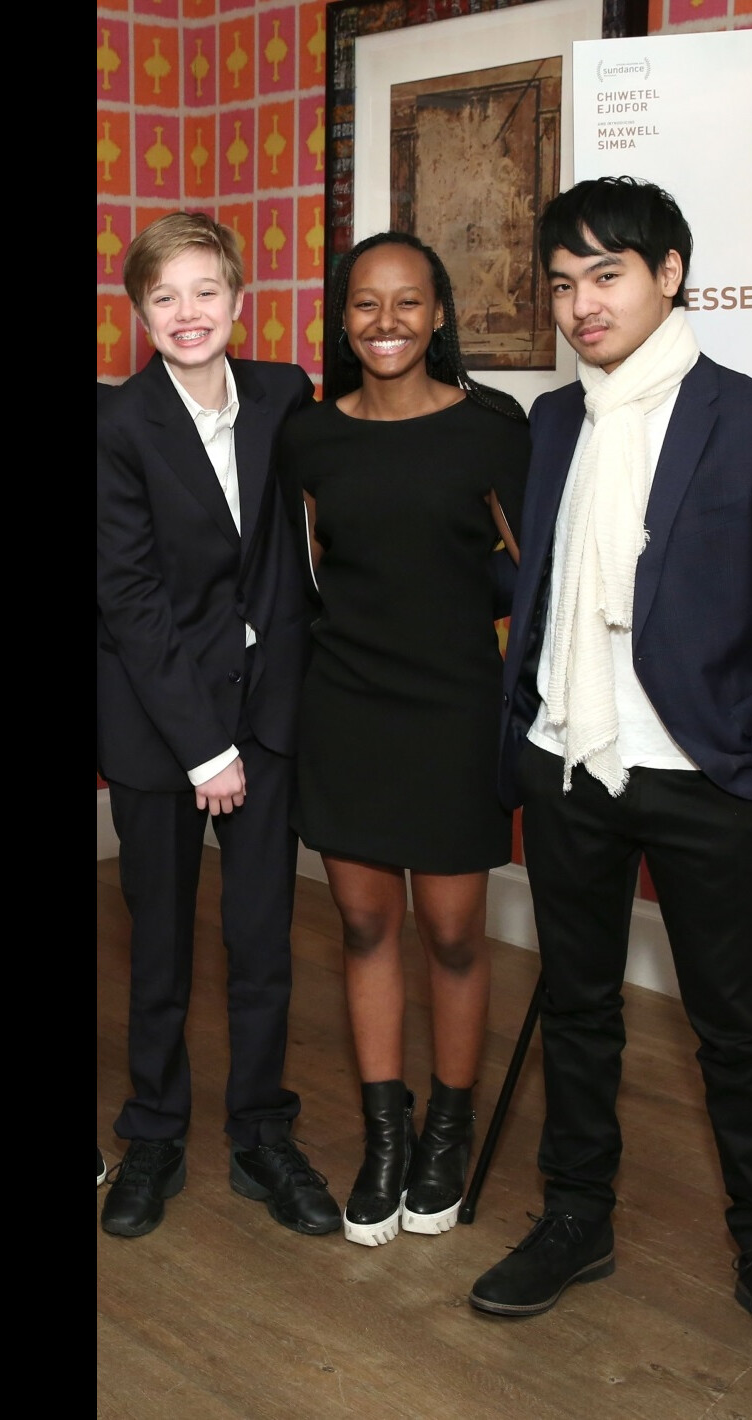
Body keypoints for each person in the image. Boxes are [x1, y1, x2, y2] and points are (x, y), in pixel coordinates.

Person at [466, 177, 752, 1384]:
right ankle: (576, 1218)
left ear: (671, 274)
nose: (582, 304)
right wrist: (522, 723)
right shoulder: (555, 424)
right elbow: (539, 584)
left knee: (735, 1033)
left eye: (608, 275)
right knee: (577, 1009)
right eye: (564, 283)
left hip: (704, 777)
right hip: (573, 765)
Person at [276, 230, 530, 1247]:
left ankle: (449, 1134)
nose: (387, 323)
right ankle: (389, 1137)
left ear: (439, 315)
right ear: (344, 319)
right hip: (348, 708)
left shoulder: (493, 428)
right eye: (366, 305)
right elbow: (300, 571)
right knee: (368, 927)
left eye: (408, 303)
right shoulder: (308, 436)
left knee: (456, 934)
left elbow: (539, 577)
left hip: (458, 714)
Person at [97, 211, 341, 1240]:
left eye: (206, 291)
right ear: (139, 311)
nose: (188, 313)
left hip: (269, 706)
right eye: (165, 296)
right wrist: (205, 749)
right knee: (157, 944)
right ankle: (153, 1132)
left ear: (239, 298)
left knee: (262, 940)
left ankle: (259, 1131)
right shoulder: (116, 424)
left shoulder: (286, 394)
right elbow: (131, 597)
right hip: (161, 721)